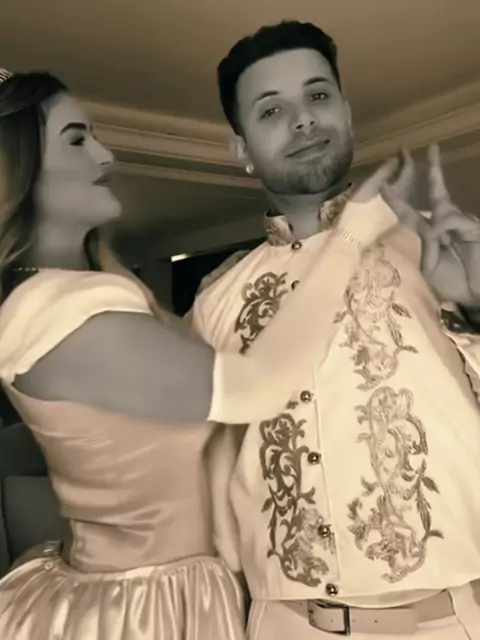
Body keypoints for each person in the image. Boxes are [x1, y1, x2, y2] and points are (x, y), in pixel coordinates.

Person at [0, 69, 405, 640]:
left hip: (160, 583)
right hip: (141, 606)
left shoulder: (76, 295)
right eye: (76, 139)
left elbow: (149, 402)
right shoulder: (59, 310)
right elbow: (256, 388)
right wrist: (350, 239)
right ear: (16, 168)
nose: (105, 154)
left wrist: (220, 299)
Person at [189, 21, 480, 640]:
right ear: (240, 147)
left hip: (449, 621)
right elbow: (189, 465)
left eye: (318, 96)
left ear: (345, 112)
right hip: (281, 624)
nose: (303, 120)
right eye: (271, 110)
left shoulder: (440, 246)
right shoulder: (216, 300)